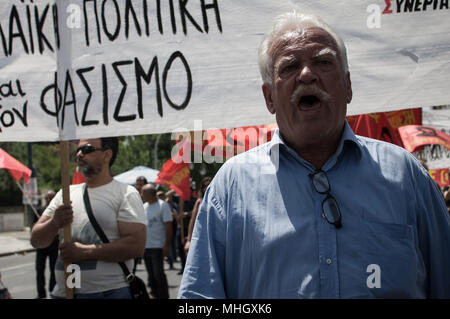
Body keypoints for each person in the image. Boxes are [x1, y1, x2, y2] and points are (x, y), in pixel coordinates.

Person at [178, 11, 450, 298]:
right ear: (269, 97)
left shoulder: (405, 175)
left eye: (322, 61)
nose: (307, 74)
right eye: (290, 66)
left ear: (347, 86)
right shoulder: (230, 186)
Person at [30, 137, 146, 299]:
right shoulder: (66, 193)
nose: (79, 154)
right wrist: (54, 222)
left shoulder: (125, 193)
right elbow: (36, 240)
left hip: (108, 293)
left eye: (87, 150)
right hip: (64, 293)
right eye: (78, 150)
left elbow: (135, 246)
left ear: (106, 155)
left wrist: (84, 252)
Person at [141, 184, 173, 299]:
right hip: (146, 247)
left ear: (150, 194)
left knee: (158, 274)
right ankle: (155, 295)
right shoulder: (144, 207)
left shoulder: (163, 206)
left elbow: (168, 227)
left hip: (158, 246)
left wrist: (167, 245)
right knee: (151, 276)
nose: (141, 195)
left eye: (143, 193)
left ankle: (163, 296)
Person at [33, 190, 58, 299]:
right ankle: (41, 294)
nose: (48, 200)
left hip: (54, 245)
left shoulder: (57, 212)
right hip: (41, 247)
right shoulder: (39, 211)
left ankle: (52, 291)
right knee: (39, 271)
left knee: (54, 270)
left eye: (51, 197)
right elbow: (34, 228)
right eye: (47, 198)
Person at [184, 176, 212, 254]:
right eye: (205, 186)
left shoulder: (220, 201)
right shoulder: (199, 202)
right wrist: (189, 240)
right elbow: (192, 221)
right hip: (201, 236)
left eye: (209, 185)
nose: (207, 188)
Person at [132, 176, 148, 274]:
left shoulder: (149, 197)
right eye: (137, 184)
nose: (139, 186)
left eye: (141, 184)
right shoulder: (131, 195)